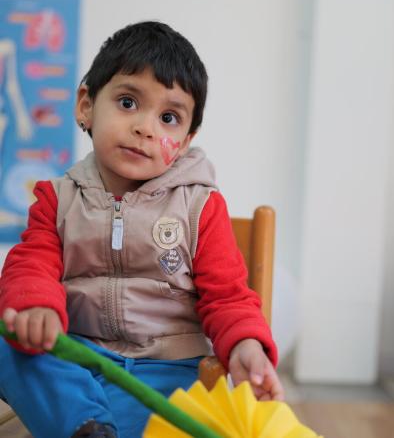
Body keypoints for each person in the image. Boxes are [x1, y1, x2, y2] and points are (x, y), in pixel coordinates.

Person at [0, 21, 283, 438]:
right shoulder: (57, 199)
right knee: (8, 338)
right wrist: (34, 309)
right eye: (129, 102)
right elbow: (31, 266)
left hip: (165, 371)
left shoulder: (200, 207)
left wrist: (246, 345)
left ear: (185, 140)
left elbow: (228, 297)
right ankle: (85, 424)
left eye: (168, 117)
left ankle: (85, 424)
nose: (146, 128)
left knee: (156, 412)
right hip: (76, 362)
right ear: (86, 105)